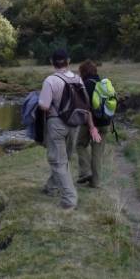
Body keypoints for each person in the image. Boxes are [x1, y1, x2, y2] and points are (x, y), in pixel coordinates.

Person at [39, 49, 101, 210]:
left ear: (52, 62)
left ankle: (69, 199)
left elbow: (44, 105)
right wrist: (91, 126)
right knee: (63, 158)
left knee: (58, 161)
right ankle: (51, 187)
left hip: (56, 124)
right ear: (68, 61)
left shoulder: (50, 81)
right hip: (74, 124)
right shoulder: (78, 79)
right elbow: (86, 105)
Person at [76, 60, 109, 188]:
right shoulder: (103, 83)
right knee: (97, 153)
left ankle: (85, 172)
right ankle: (95, 182)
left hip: (90, 123)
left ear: (83, 72)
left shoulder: (85, 85)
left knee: (80, 144)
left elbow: (84, 108)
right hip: (105, 123)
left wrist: (91, 127)